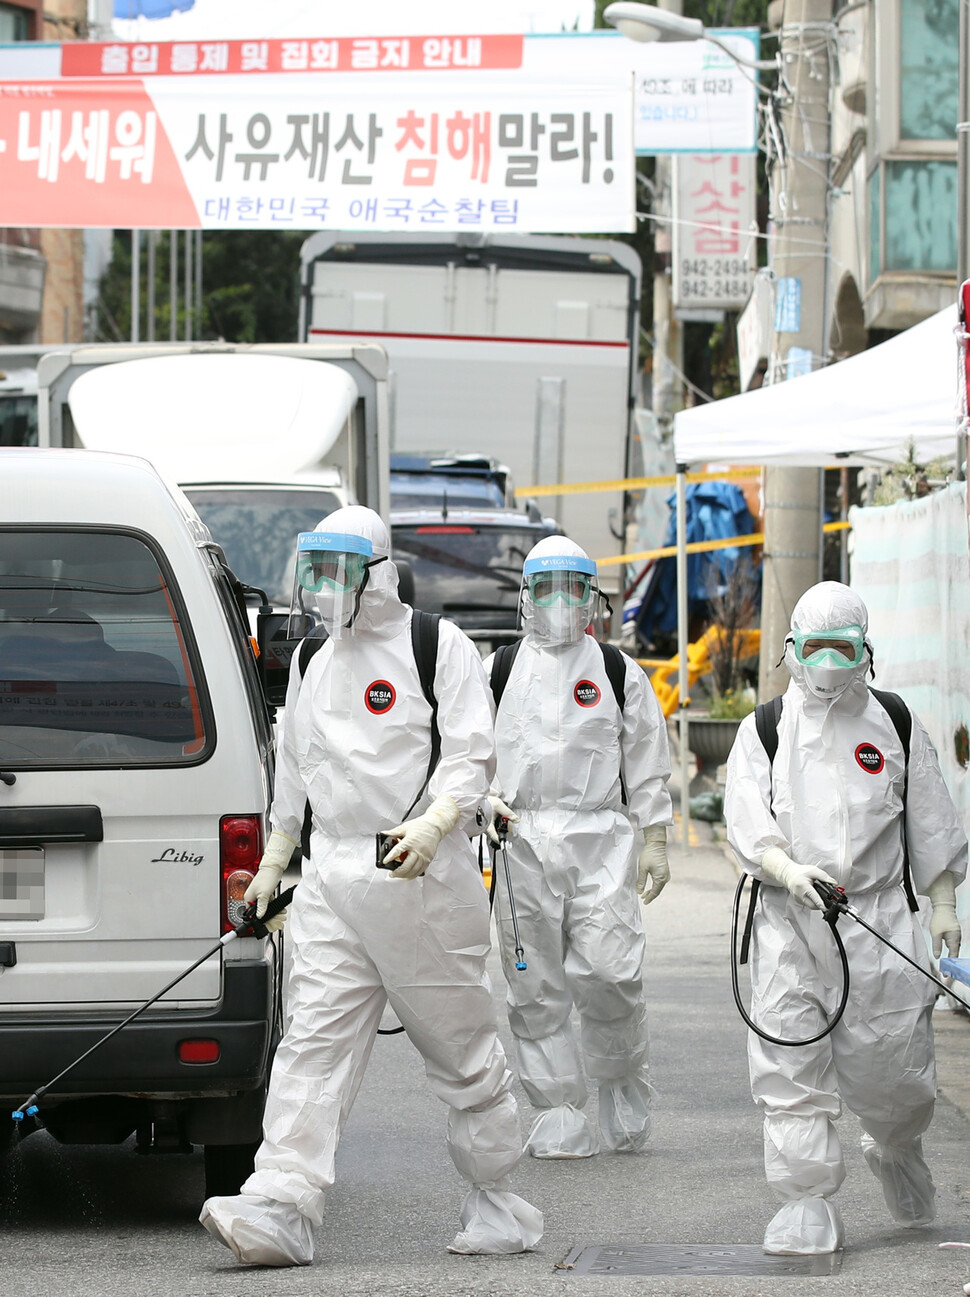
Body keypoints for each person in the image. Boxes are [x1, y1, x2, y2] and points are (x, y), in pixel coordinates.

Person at [199, 506, 542, 1267]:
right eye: (314, 569)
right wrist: (278, 852)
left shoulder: (434, 646)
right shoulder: (312, 658)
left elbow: (471, 749)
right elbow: (295, 762)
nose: (323, 587)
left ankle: (496, 1198)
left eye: (337, 570)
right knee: (313, 1040)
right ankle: (282, 1204)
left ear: (376, 572)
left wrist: (438, 820)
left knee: (460, 1046)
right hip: (333, 878)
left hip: (417, 872)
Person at [725, 580, 967, 1256]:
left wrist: (943, 900)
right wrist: (786, 869)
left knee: (897, 1070)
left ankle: (896, 1146)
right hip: (790, 921)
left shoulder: (893, 720)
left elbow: (931, 817)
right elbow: (749, 821)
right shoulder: (765, 728)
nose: (830, 660)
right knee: (789, 1064)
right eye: (817, 646)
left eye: (844, 646)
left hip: (878, 921)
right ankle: (805, 1202)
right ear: (793, 649)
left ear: (866, 648)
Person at [483, 536, 673, 1159]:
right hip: (522, 840)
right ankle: (559, 1107)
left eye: (572, 587)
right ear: (526, 598)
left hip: (600, 840)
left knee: (611, 971)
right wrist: (482, 800)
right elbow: (468, 750)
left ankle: (620, 1079)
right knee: (533, 982)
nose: (559, 600)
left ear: (594, 598)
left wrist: (655, 838)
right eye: (546, 587)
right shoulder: (499, 671)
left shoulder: (617, 673)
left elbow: (646, 761)